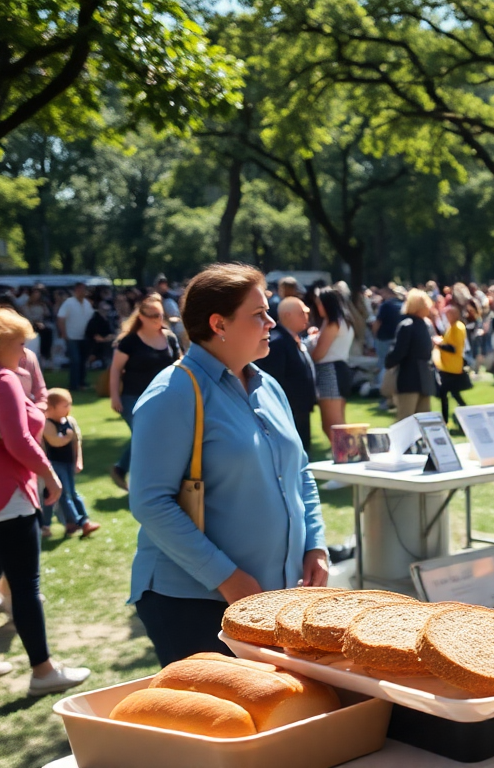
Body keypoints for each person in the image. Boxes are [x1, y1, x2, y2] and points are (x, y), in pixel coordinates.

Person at [128, 264, 328, 666]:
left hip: (272, 599)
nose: (271, 322)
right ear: (219, 324)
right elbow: (150, 502)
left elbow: (300, 473)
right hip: (193, 604)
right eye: (258, 314)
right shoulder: (172, 392)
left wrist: (315, 544)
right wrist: (227, 578)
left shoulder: (268, 386)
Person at [0, 307, 91, 694]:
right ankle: (44, 671)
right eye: (20, 344)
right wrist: (49, 474)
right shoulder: (0, 379)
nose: (24, 353)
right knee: (25, 585)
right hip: (4, 493)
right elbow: (19, 441)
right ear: (0, 343)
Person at [107, 295, 181, 491]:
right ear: (142, 317)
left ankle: (123, 469)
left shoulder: (170, 338)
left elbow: (180, 366)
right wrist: (114, 396)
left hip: (163, 399)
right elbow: (115, 369)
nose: (158, 319)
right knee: (145, 434)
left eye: (161, 315)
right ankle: (143, 481)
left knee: (155, 437)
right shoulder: (129, 341)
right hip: (133, 397)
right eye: (153, 316)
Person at [255, 297, 319, 454]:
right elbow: (273, 379)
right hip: (289, 411)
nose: (306, 317)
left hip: (301, 409)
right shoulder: (277, 343)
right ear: (287, 315)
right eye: (302, 313)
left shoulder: (292, 338)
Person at [40, 388, 101, 538]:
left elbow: (76, 442)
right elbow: (55, 441)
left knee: (72, 493)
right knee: (62, 494)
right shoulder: (47, 424)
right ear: (51, 407)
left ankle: (80, 521)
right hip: (54, 464)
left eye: (69, 404)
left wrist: (78, 460)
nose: (69, 408)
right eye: (65, 405)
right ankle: (80, 522)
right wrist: (66, 437)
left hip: (68, 463)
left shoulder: (70, 422)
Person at [309, 287, 353, 448]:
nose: (318, 307)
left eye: (319, 303)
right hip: (340, 370)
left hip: (330, 371)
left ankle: (349, 454)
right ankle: (349, 453)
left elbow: (318, 354)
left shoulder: (332, 322)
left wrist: (308, 344)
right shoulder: (344, 321)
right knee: (337, 424)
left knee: (332, 425)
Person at [385, 289, 439, 421]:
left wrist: (388, 362)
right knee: (422, 419)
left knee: (406, 419)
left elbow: (398, 353)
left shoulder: (407, 326)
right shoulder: (425, 326)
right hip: (423, 378)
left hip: (409, 378)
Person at [435, 304, 471, 424]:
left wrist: (439, 344)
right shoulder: (452, 327)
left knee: (444, 392)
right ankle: (467, 414)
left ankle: (445, 420)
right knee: (453, 393)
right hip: (448, 366)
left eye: (448, 314)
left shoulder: (457, 328)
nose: (446, 317)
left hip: (452, 367)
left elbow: (454, 348)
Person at [57, 282, 94, 390]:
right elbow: (61, 318)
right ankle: (73, 384)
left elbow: (92, 318)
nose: (83, 292)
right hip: (71, 337)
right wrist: (64, 333)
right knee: (75, 361)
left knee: (83, 361)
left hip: (84, 337)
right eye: (81, 289)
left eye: (84, 289)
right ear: (76, 290)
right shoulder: (69, 303)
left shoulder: (87, 303)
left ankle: (81, 382)